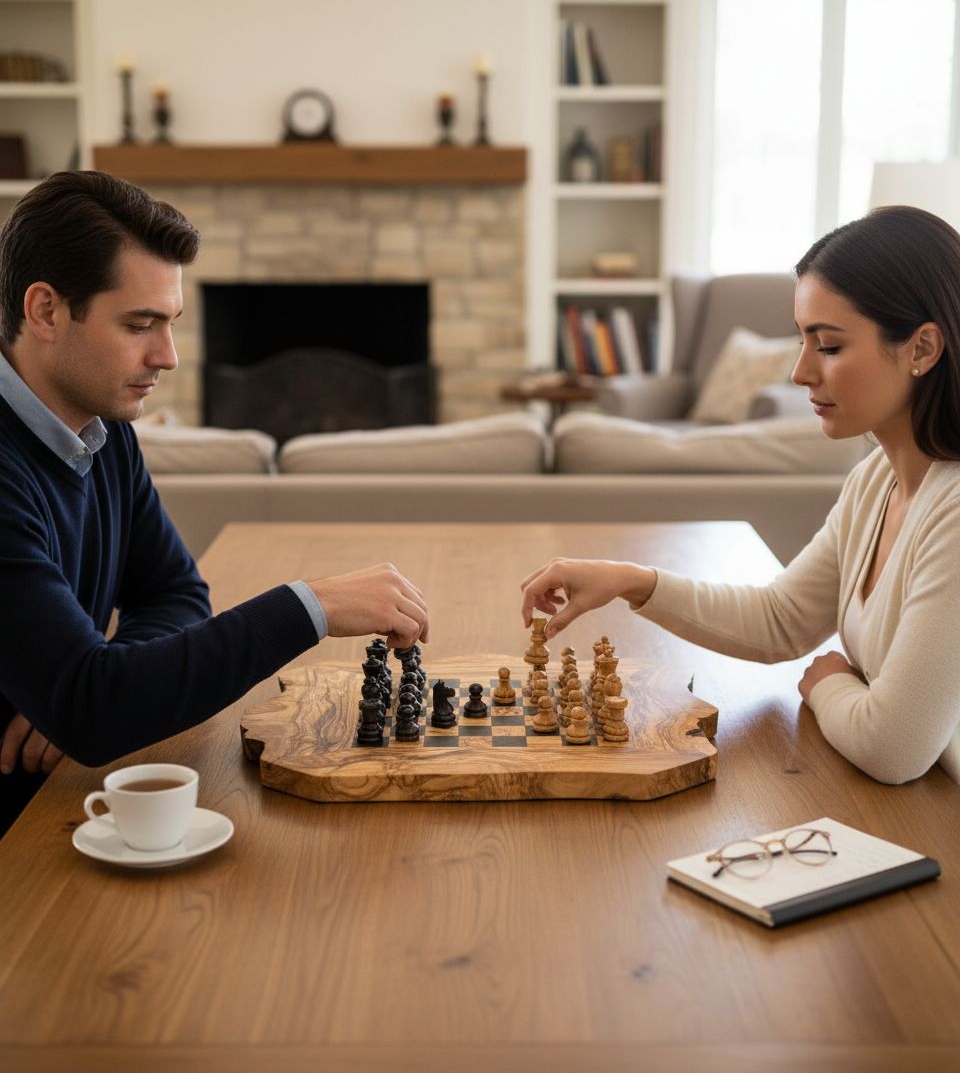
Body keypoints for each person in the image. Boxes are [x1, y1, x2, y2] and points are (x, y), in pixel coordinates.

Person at [0, 171, 429, 834]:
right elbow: (91, 710)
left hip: (59, 796)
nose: (167, 356)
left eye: (170, 323)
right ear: (45, 310)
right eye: (139, 325)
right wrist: (310, 607)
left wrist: (78, 691)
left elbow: (174, 594)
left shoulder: (104, 430)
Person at [521, 205, 960, 786]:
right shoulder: (876, 481)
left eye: (827, 346)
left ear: (922, 349)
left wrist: (827, 682)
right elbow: (781, 621)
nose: (801, 372)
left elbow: (892, 748)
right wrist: (631, 580)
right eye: (802, 342)